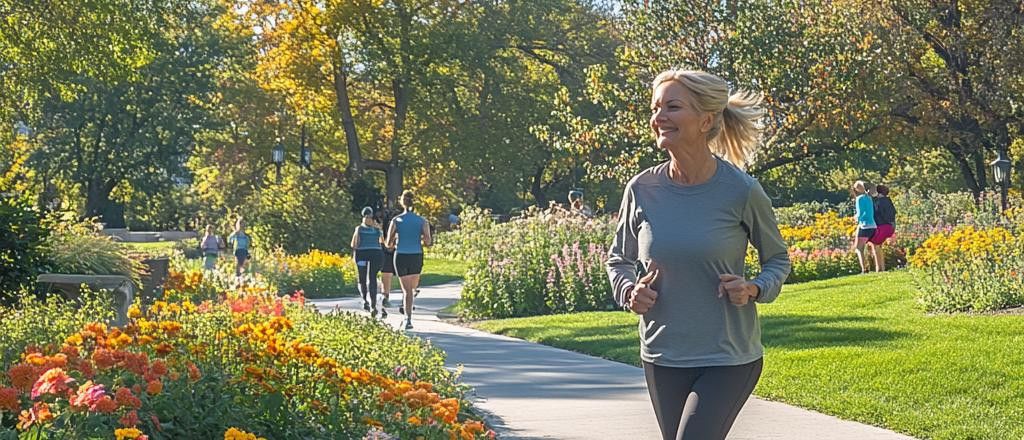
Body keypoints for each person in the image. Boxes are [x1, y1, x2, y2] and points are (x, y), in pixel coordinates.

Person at [606, 69, 791, 440]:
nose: (659, 117)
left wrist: (754, 288)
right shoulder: (641, 188)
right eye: (656, 108)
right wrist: (629, 292)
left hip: (728, 356)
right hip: (662, 355)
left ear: (706, 120)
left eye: (672, 107)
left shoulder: (741, 190)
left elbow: (778, 259)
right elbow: (618, 260)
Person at [386, 190, 432, 330]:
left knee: (407, 290)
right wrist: (421, 238)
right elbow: (428, 241)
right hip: (416, 255)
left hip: (401, 255)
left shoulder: (396, 220)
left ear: (402, 202)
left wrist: (395, 241)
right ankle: (408, 309)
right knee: (411, 288)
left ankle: (407, 319)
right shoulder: (422, 221)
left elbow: (388, 243)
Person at [351, 207, 387, 318]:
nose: (368, 219)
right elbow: (354, 244)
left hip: (375, 253)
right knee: (362, 277)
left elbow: (382, 242)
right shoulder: (359, 229)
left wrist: (379, 230)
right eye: (366, 217)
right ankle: (364, 299)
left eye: (370, 217)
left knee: (372, 277)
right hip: (362, 253)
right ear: (363, 218)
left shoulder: (376, 229)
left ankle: (373, 304)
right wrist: (357, 232)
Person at [867, 184, 896, 272]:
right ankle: (881, 267)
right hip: (890, 226)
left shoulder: (877, 202)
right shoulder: (888, 201)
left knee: (875, 245)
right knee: (878, 246)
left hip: (881, 226)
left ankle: (879, 268)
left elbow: (875, 213)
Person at [851, 180, 876, 274]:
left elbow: (860, 213)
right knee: (870, 247)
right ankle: (873, 265)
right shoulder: (869, 197)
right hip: (873, 225)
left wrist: (855, 218)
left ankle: (864, 269)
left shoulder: (859, 199)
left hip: (864, 225)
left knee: (858, 248)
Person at [377, 207, 397, 308]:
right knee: (388, 275)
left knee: (386, 275)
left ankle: (385, 296)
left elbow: (381, 239)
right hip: (393, 249)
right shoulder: (395, 224)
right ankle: (386, 296)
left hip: (384, 249)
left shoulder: (382, 226)